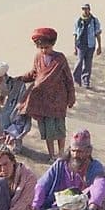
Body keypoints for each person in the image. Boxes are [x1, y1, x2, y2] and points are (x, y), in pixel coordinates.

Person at [30, 129, 105, 210]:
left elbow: (99, 185)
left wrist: (92, 207)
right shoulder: (60, 164)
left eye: (79, 151)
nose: (75, 155)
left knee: (104, 194)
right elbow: (42, 185)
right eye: (73, 151)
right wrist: (36, 205)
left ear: (88, 151)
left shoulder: (95, 166)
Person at [18, 27, 75, 157]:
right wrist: (20, 79)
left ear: (52, 45)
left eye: (46, 47)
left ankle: (60, 153)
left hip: (58, 99)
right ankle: (51, 155)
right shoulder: (38, 57)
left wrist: (71, 96)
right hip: (43, 99)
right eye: (41, 48)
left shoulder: (60, 58)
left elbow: (68, 79)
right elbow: (34, 73)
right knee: (47, 129)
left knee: (59, 128)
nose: (44, 50)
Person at [72, 3, 103, 89]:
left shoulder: (94, 20)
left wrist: (99, 46)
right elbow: (75, 34)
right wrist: (74, 47)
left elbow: (97, 34)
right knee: (79, 61)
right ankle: (75, 80)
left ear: (89, 9)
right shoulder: (78, 20)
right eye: (83, 9)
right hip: (80, 45)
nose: (85, 11)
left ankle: (86, 82)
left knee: (88, 64)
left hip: (90, 45)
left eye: (86, 9)